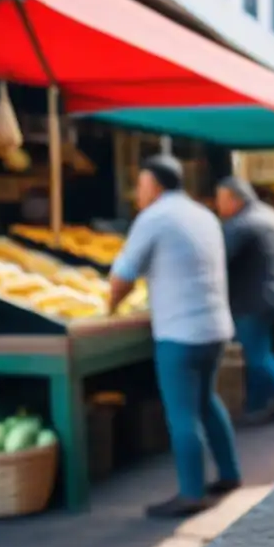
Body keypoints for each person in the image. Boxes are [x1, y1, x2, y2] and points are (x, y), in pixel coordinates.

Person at [109, 156, 240, 518]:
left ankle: (191, 492)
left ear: (153, 184)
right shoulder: (204, 215)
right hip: (214, 327)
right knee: (206, 401)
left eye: (139, 184)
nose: (137, 192)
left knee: (182, 413)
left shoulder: (154, 218)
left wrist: (110, 307)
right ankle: (229, 473)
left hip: (179, 332)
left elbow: (123, 275)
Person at [215, 177, 274, 423]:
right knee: (258, 351)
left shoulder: (241, 224)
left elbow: (218, 259)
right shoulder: (270, 216)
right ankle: (258, 404)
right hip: (273, 295)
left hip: (251, 301)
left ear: (234, 199)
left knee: (256, 354)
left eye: (220, 200)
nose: (218, 206)